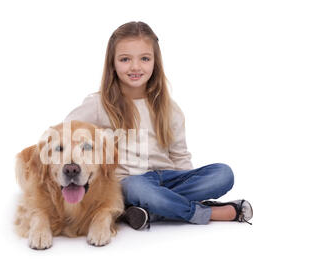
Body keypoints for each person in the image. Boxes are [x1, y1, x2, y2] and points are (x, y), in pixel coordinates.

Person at [64, 21, 253, 230]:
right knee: (139, 188)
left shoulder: (169, 109)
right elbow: (66, 135)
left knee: (223, 174)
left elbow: (180, 157)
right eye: (125, 59)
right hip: (128, 182)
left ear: (155, 62)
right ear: (113, 63)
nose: (135, 67)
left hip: (168, 178)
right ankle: (207, 212)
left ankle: (148, 212)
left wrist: (187, 181)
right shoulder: (98, 105)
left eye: (144, 59)